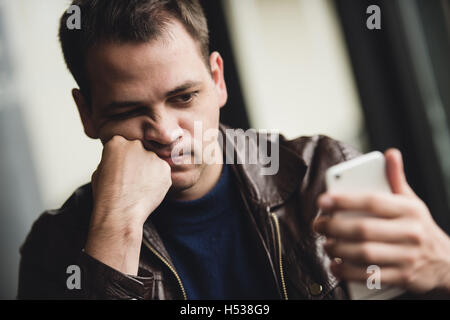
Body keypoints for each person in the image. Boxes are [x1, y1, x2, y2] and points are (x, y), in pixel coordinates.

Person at [17, 0, 450, 299]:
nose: (167, 133)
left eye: (183, 97)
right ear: (87, 114)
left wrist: (444, 269)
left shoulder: (320, 171)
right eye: (130, 111)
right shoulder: (57, 248)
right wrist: (113, 233)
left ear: (218, 80)